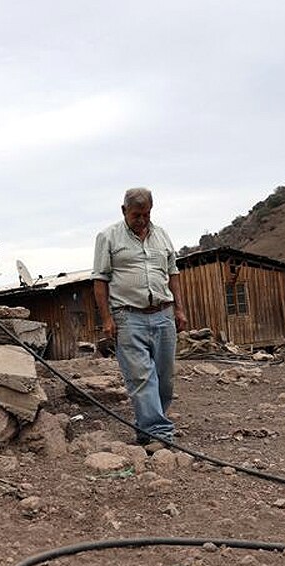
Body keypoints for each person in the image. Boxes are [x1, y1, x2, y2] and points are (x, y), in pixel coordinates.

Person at [92, 187, 188, 447]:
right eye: (136, 215)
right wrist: (107, 319)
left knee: (164, 379)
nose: (142, 220)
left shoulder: (162, 235)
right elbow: (100, 281)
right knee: (142, 378)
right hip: (128, 316)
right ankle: (160, 433)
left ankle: (147, 430)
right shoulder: (108, 237)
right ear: (124, 210)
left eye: (146, 214)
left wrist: (179, 309)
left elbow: (173, 273)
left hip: (163, 314)